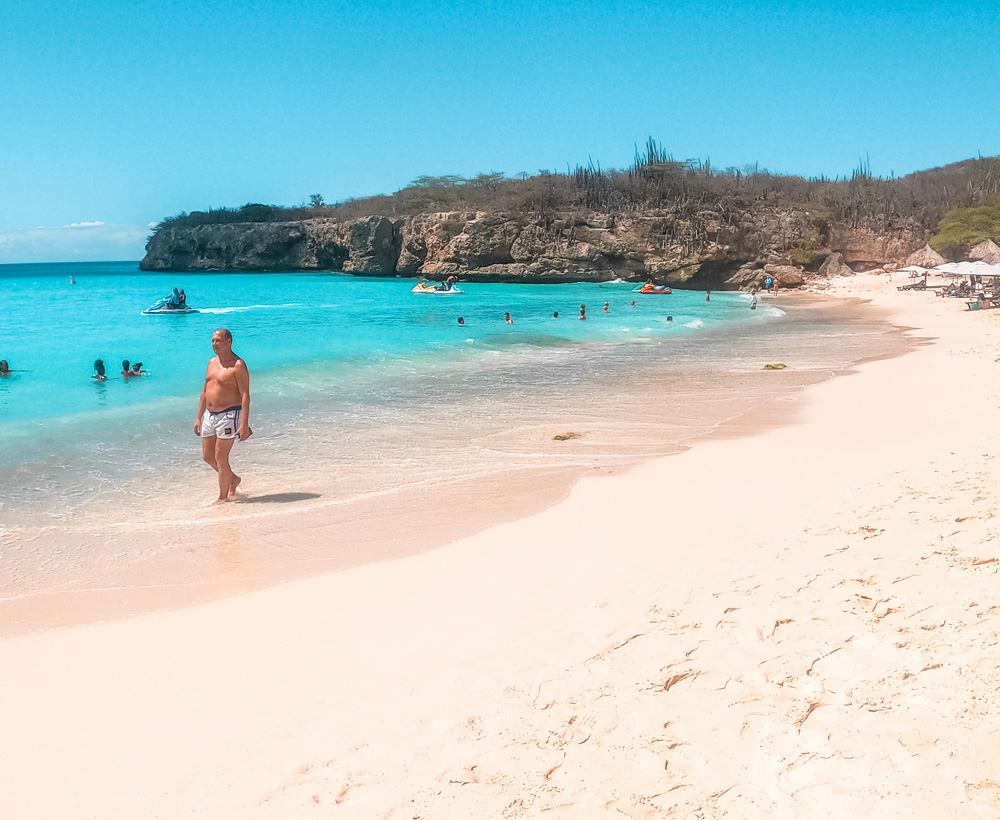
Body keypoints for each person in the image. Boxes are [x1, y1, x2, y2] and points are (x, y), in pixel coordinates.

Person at [195, 328, 251, 505]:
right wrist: (198, 417)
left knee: (220, 457)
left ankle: (223, 497)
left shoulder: (238, 365)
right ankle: (233, 480)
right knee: (207, 456)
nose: (214, 344)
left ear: (229, 342)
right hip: (210, 415)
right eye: (212, 340)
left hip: (230, 414)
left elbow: (245, 395)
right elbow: (205, 391)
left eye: (218, 340)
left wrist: (244, 424)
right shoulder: (211, 362)